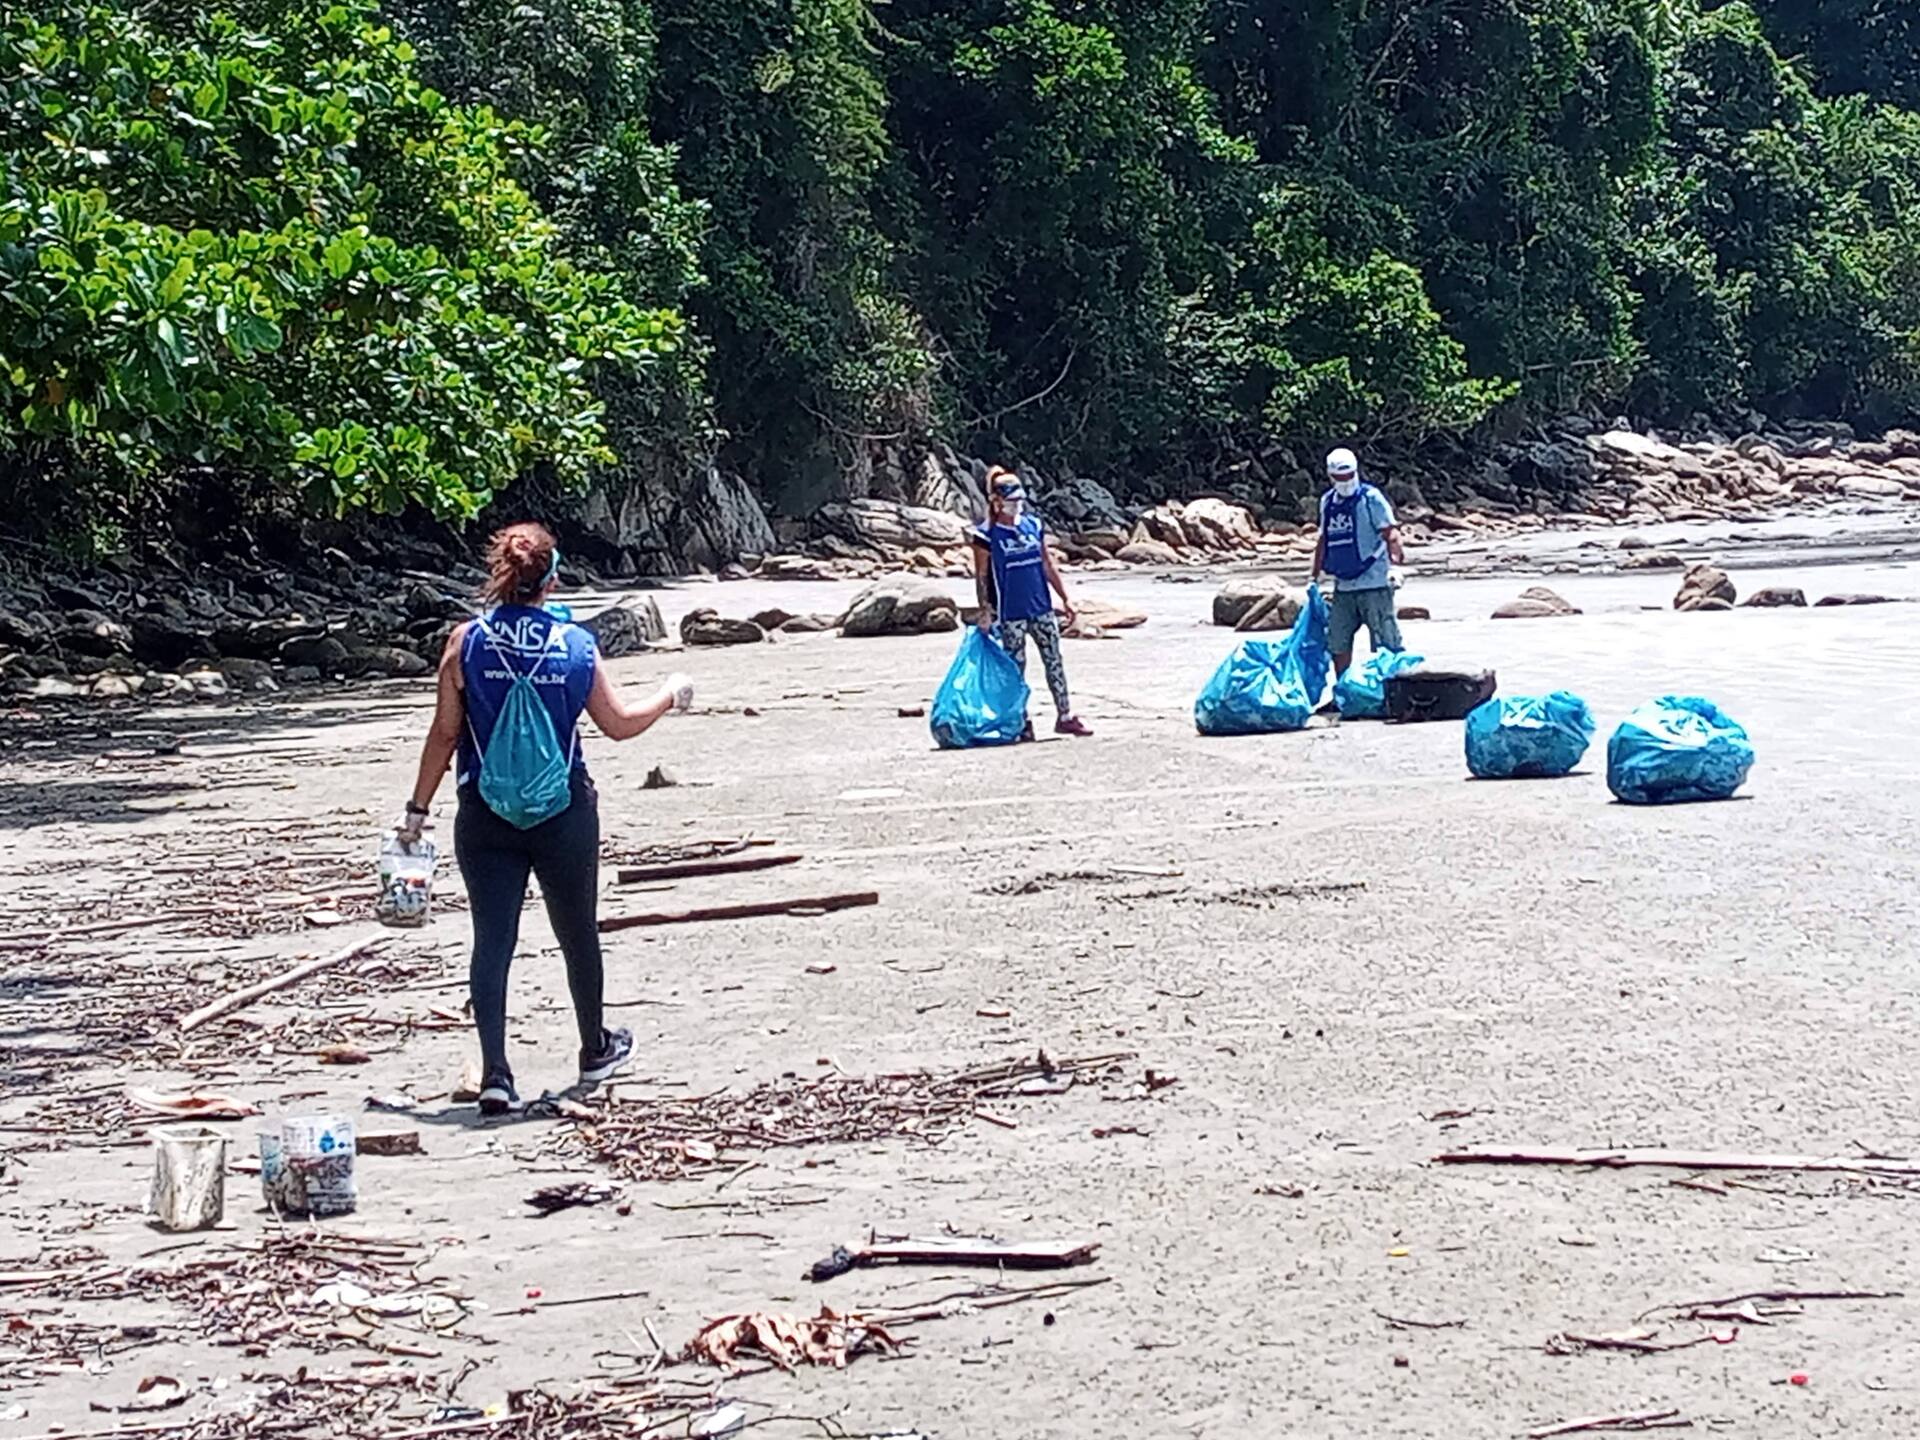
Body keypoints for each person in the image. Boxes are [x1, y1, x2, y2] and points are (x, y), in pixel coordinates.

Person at [399, 522, 693, 1115]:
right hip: (564, 813)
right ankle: (594, 1048)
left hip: (484, 813)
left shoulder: (465, 643)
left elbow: (444, 733)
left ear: (500, 574)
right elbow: (617, 724)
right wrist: (669, 694)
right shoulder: (577, 646)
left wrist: (417, 811)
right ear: (552, 578)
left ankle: (496, 1076)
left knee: (493, 940)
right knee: (577, 931)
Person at [971, 470, 1092, 739]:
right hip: (1010, 613)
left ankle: (1065, 715)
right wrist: (985, 610)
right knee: (1016, 668)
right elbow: (981, 575)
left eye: (1019, 501)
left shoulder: (1033, 526)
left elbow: (1047, 564)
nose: (1017, 506)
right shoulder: (986, 536)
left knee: (1054, 661)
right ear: (996, 502)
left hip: (1041, 608)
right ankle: (1021, 720)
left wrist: (1065, 598)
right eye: (1011, 501)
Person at [1311, 447, 1406, 677]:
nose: (1345, 482)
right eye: (1339, 478)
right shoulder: (1327, 502)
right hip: (1343, 587)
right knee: (1337, 642)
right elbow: (1323, 540)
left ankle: (1391, 689)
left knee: (1386, 642)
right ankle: (1343, 689)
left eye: (1348, 476)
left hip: (1375, 586)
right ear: (1330, 476)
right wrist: (1313, 577)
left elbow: (1391, 534)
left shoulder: (1371, 498)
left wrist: (1395, 566)